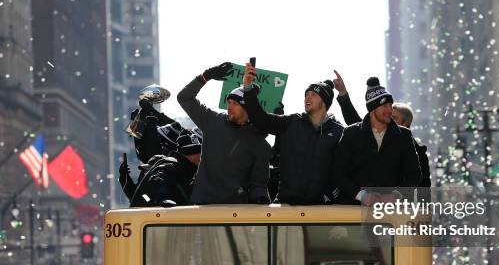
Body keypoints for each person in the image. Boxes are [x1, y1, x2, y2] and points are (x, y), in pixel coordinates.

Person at [242, 62, 344, 204]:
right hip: (285, 207)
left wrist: (328, 196)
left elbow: (344, 171)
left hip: (320, 211)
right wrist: (247, 87)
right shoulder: (292, 122)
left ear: (324, 101)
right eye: (306, 94)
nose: (307, 98)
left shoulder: (339, 132)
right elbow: (260, 119)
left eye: (313, 94)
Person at [177, 62, 271, 204]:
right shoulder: (212, 121)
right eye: (229, 102)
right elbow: (184, 98)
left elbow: (259, 184)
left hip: (235, 213)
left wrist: (261, 199)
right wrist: (205, 76)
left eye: (235, 103)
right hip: (201, 206)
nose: (229, 107)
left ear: (248, 108)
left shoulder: (260, 143)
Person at [333, 70, 431, 188]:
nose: (389, 113)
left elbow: (418, 179)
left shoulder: (409, 142)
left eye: (394, 116)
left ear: (407, 123)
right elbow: (355, 122)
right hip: (358, 204)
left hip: (397, 205)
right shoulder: (357, 133)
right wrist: (343, 94)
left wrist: (396, 197)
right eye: (386, 107)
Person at [130, 130, 202, 207]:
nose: (201, 156)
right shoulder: (170, 165)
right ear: (191, 154)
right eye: (199, 153)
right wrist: (162, 198)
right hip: (150, 216)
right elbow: (158, 180)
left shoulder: (189, 170)